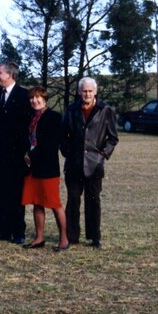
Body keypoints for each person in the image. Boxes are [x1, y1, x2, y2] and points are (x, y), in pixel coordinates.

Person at [60, 76, 119, 249]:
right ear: (79, 92)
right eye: (84, 91)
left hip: (95, 164)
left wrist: (103, 154)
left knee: (93, 200)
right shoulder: (71, 110)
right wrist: (67, 153)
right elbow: (63, 136)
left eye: (90, 91)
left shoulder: (105, 110)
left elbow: (113, 138)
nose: (87, 94)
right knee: (73, 200)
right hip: (74, 163)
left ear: (95, 92)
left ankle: (94, 237)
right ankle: (71, 236)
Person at [0, 61, 31, 245]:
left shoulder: (24, 95)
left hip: (17, 155)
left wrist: (25, 152)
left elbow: (27, 126)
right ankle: (1, 231)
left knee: (16, 194)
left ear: (10, 74)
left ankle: (18, 232)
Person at [20, 87, 68, 251]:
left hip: (47, 167)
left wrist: (31, 156)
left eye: (38, 97)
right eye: (32, 98)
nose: (35, 100)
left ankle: (64, 238)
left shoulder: (54, 117)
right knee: (36, 202)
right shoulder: (30, 117)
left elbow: (50, 144)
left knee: (54, 203)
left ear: (45, 99)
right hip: (31, 168)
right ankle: (39, 237)